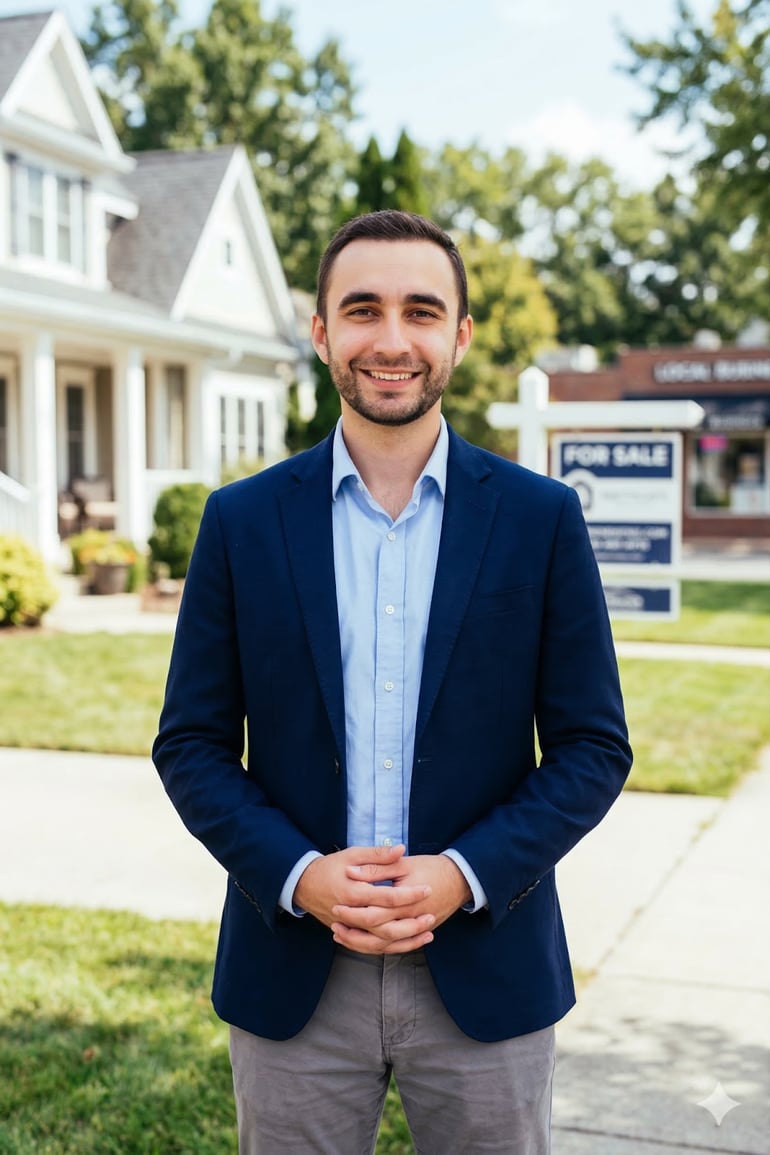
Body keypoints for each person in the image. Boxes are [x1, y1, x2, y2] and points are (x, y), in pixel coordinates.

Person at [153, 209, 632, 1154]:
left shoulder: (541, 520)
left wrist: (463, 875)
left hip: (487, 970)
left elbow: (592, 748)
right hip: (294, 973)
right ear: (322, 332)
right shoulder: (241, 522)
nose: (392, 339)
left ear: (458, 334)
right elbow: (192, 744)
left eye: (421, 310)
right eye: (362, 309)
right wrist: (298, 876)